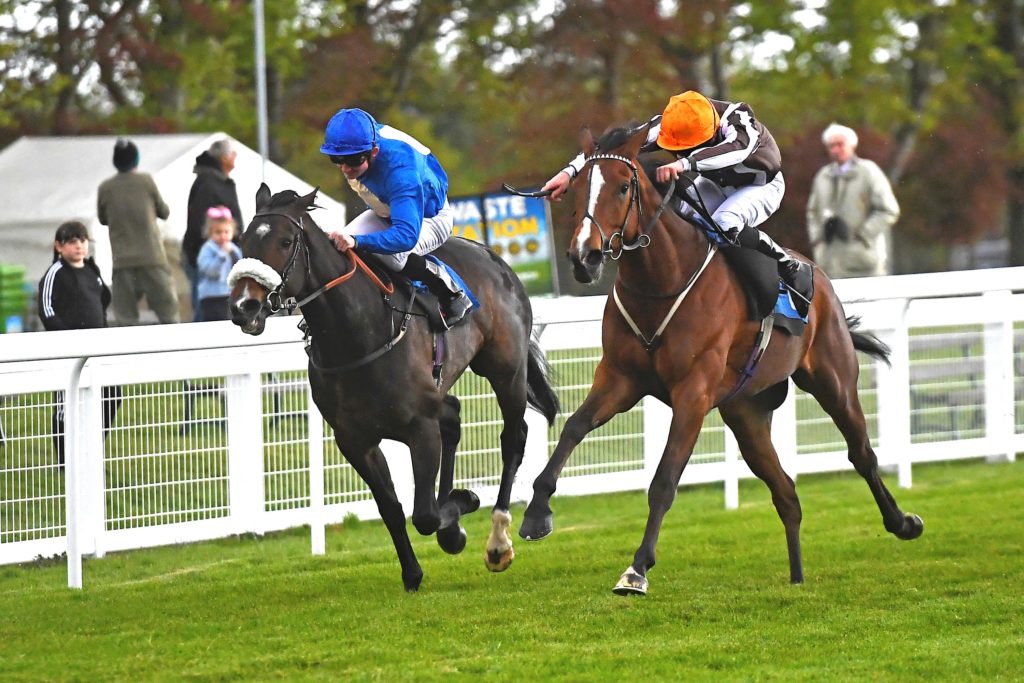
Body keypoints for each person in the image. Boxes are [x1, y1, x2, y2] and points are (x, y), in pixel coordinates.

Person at [542, 90, 814, 312]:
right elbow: (608, 150)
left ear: (709, 131)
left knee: (725, 221)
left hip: (760, 185)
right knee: (679, 215)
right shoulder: (670, 122)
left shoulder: (741, 122)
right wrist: (568, 173)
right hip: (714, 183)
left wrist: (686, 163)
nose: (679, 151)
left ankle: (786, 264)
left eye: (686, 147)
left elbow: (736, 151)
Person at [319, 107, 472, 327]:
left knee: (393, 257)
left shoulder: (400, 173)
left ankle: (450, 292)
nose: (345, 168)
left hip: (430, 218)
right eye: (336, 159)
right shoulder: (360, 140)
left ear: (373, 152)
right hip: (388, 211)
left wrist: (359, 240)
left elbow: (405, 237)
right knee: (339, 246)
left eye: (352, 160)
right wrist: (351, 240)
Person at [37, 221, 121, 465]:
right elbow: (47, 310)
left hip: (97, 350)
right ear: (59, 246)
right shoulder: (55, 273)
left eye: (83, 240)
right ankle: (65, 461)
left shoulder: (92, 272)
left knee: (112, 395)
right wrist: (67, 341)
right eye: (72, 241)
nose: (79, 246)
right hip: (68, 352)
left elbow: (102, 303)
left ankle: (92, 449)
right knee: (66, 404)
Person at [97, 138, 180, 325]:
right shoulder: (146, 181)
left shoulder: (105, 188)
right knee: (168, 313)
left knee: (125, 318)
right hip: (152, 258)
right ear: (136, 159)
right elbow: (164, 212)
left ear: (115, 161)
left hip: (122, 261)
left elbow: (103, 219)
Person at [806, 123, 901, 278]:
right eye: (831, 146)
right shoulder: (822, 176)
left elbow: (889, 210)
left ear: (852, 145)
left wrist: (862, 235)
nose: (835, 150)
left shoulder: (868, 172)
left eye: (840, 144)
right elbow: (812, 212)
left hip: (863, 263)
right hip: (829, 263)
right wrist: (818, 239)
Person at [184, 138, 243, 321]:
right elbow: (198, 223)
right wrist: (207, 253)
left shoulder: (219, 181)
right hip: (206, 257)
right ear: (224, 158)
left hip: (224, 261)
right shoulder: (209, 184)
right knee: (204, 312)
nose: (235, 158)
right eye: (233, 154)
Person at [196, 206, 242, 321]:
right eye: (218, 232)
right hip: (211, 297)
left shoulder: (234, 249)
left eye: (226, 232)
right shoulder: (207, 249)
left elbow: (240, 268)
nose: (223, 236)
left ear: (232, 232)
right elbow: (210, 271)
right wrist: (221, 256)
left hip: (231, 295)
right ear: (210, 232)